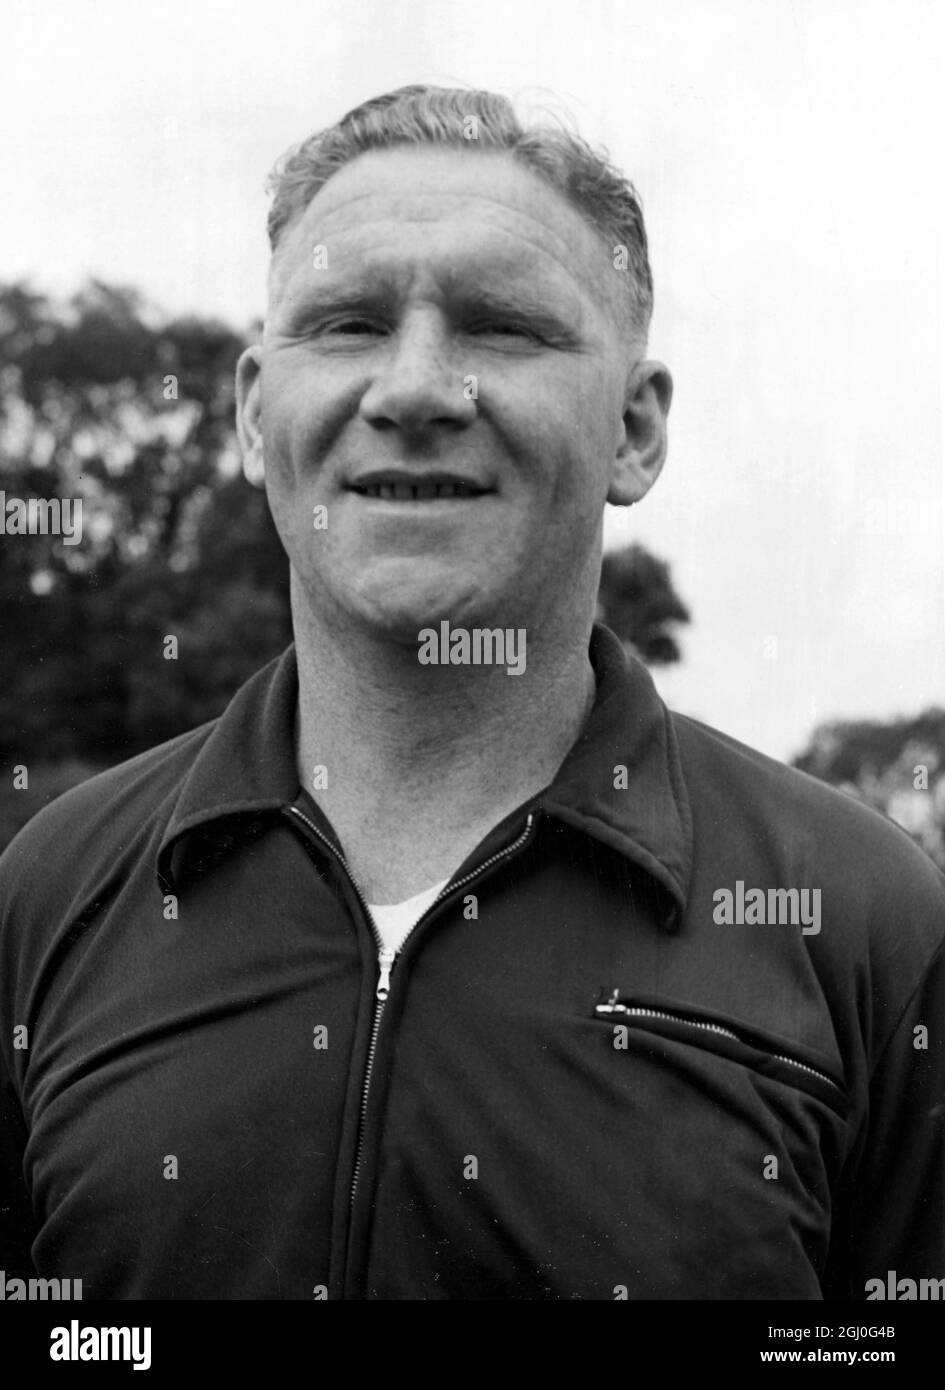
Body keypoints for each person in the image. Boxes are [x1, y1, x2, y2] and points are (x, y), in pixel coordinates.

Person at [1, 85, 942, 1302]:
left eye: (502, 328)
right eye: (344, 322)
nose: (415, 388)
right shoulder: (48, 896)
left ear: (636, 431)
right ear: (248, 413)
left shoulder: (865, 922)